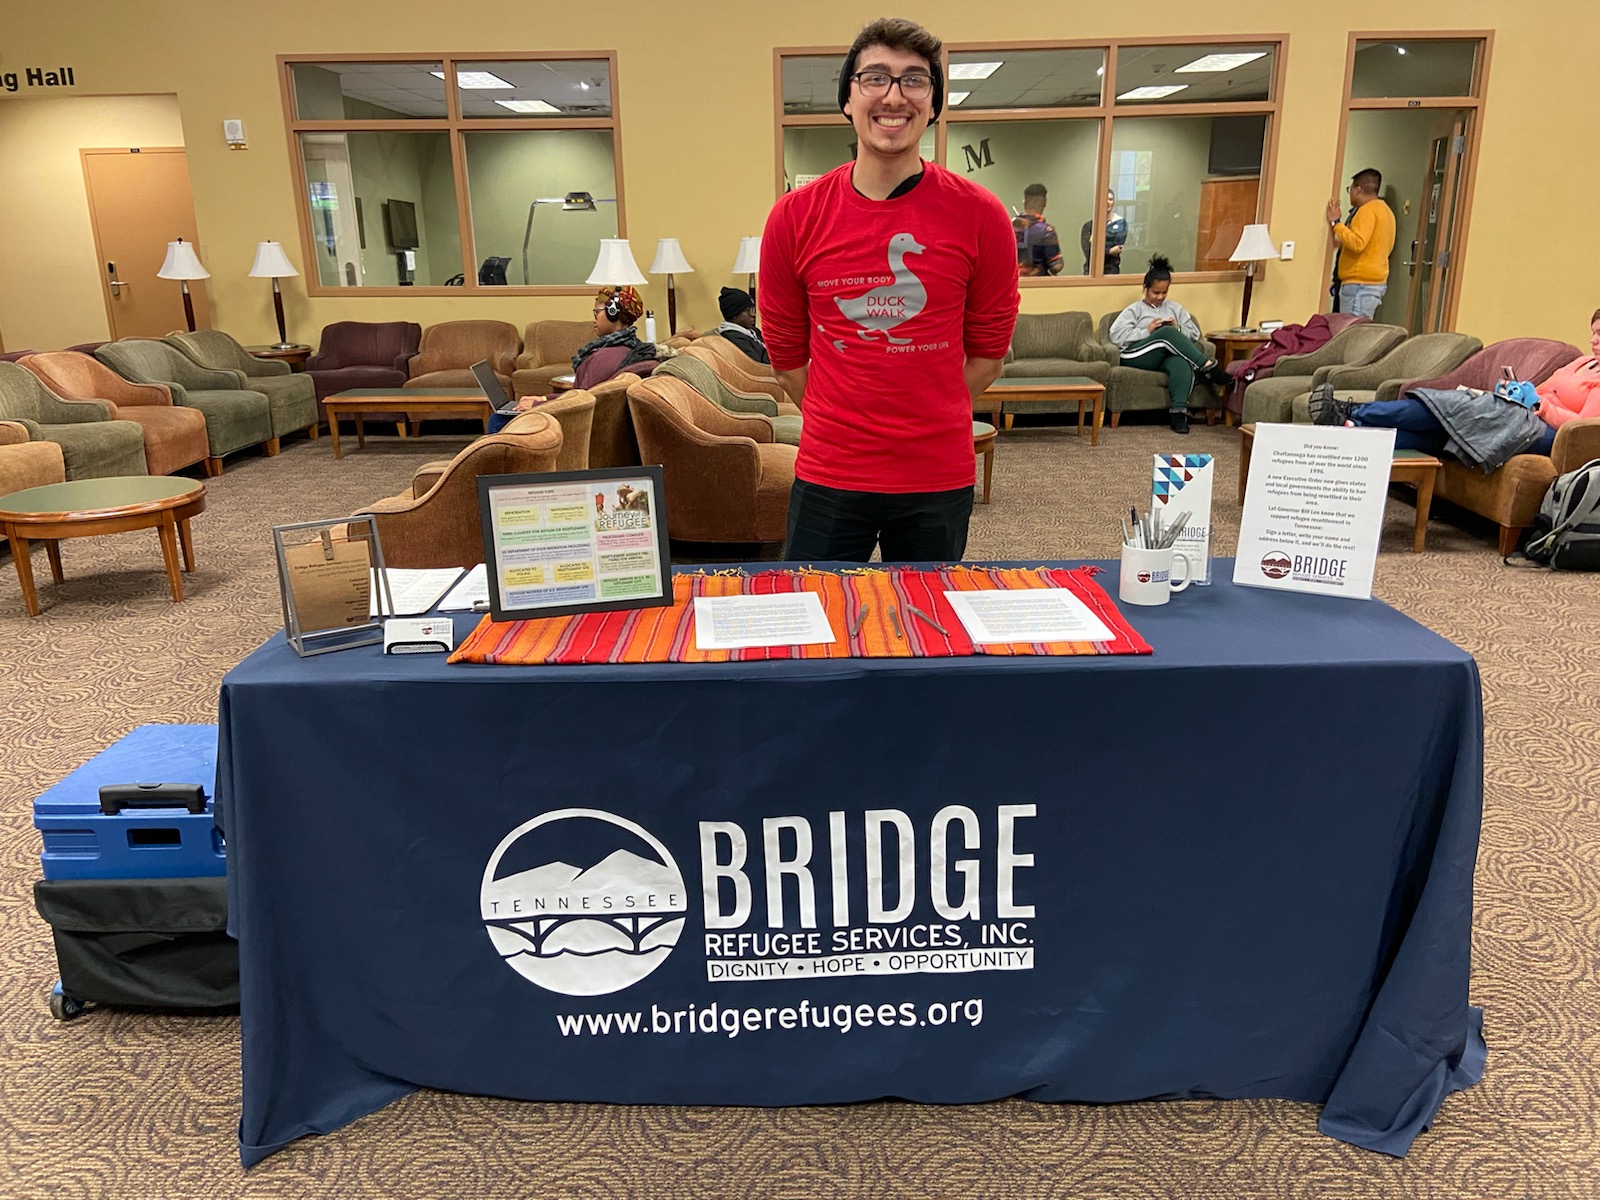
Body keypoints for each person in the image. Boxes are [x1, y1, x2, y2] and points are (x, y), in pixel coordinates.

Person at [759, 17, 1020, 563]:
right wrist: (846, 417)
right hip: (830, 470)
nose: (893, 95)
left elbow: (988, 356)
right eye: (874, 77)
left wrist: (929, 413)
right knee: (815, 623)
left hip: (936, 472)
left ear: (933, 103)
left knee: (925, 632)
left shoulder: (982, 216)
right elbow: (786, 357)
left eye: (914, 80)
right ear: (848, 99)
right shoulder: (793, 218)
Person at [1312, 309, 1600, 458]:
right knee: (1451, 436)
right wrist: (1520, 392)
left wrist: (1542, 406)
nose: (1593, 342)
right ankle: (1355, 432)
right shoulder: (1581, 362)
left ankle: (1353, 412)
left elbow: (1582, 428)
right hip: (1524, 413)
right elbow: (1540, 389)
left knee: (1453, 407)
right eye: (1592, 334)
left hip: (1545, 432)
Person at [1108, 254, 1231, 434]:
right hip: (1135, 355)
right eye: (1155, 292)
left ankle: (1178, 414)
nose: (1160, 297)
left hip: (1163, 356)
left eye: (1164, 292)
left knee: (1179, 360)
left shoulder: (1175, 308)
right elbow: (1116, 335)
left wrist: (1178, 329)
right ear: (1145, 288)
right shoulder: (1134, 310)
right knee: (1165, 333)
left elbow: (1195, 333)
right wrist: (1147, 331)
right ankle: (1208, 367)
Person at [1326, 168, 1396, 320]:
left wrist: (1336, 223)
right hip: (1374, 283)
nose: (1350, 193)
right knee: (1360, 333)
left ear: (1357, 189)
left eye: (1350, 189)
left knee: (1350, 335)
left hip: (1359, 285)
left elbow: (1358, 243)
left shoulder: (1367, 211)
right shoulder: (1386, 211)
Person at [710, 287, 770, 364]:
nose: (753, 314)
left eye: (753, 310)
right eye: (749, 311)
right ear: (734, 314)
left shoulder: (753, 330)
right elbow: (756, 364)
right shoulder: (734, 338)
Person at [1013, 183, 1063, 277]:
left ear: (1024, 202)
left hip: (1011, 284)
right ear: (1043, 202)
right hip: (1037, 285)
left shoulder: (1009, 227)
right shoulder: (1046, 230)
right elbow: (1056, 266)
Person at [1080, 189, 1128, 275]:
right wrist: (1109, 251)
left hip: (1111, 272)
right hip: (1090, 272)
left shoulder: (1121, 223)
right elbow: (1089, 253)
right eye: (1105, 199)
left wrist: (1095, 243)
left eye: (1110, 199)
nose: (1108, 202)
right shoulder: (1088, 227)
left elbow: (1117, 249)